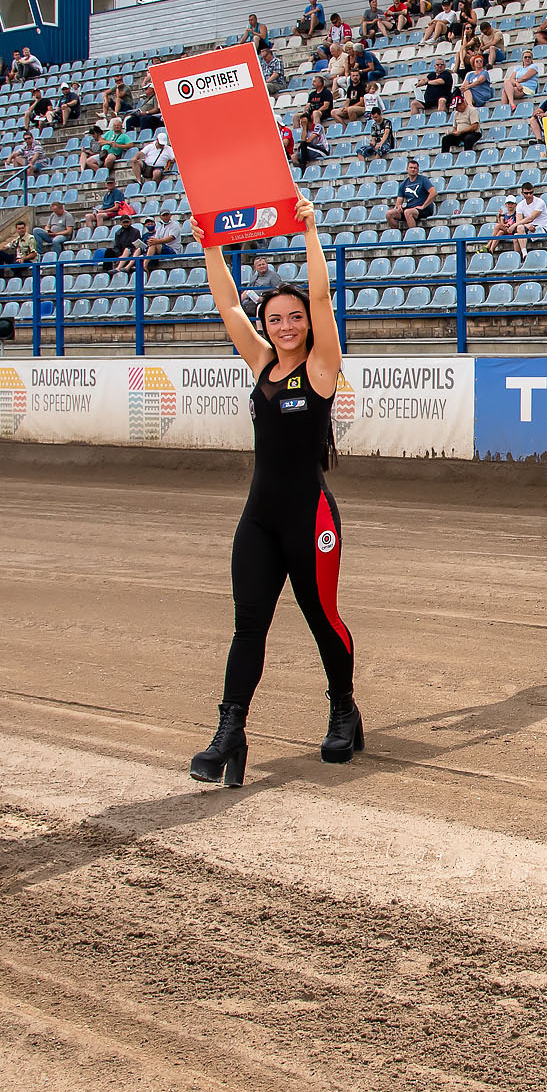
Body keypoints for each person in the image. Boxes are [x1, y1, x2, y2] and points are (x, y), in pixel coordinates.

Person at [182, 197, 360, 788]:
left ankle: (343, 709)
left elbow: (326, 300)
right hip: (259, 520)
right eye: (276, 318)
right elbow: (228, 303)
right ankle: (229, 732)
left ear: (308, 322)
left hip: (311, 521)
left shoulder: (323, 368)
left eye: (295, 317)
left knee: (322, 619)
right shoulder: (260, 362)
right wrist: (210, 238)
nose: (285, 326)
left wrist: (310, 233)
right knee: (248, 625)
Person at [387, 158, 436, 229]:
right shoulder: (403, 184)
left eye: (415, 168)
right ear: (407, 169)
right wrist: (399, 206)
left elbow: (434, 192)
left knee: (408, 212)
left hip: (423, 209)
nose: (413, 169)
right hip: (410, 208)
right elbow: (399, 201)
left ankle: (413, 235)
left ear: (418, 170)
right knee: (389, 214)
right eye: (411, 168)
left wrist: (423, 206)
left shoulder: (423, 180)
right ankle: (397, 234)